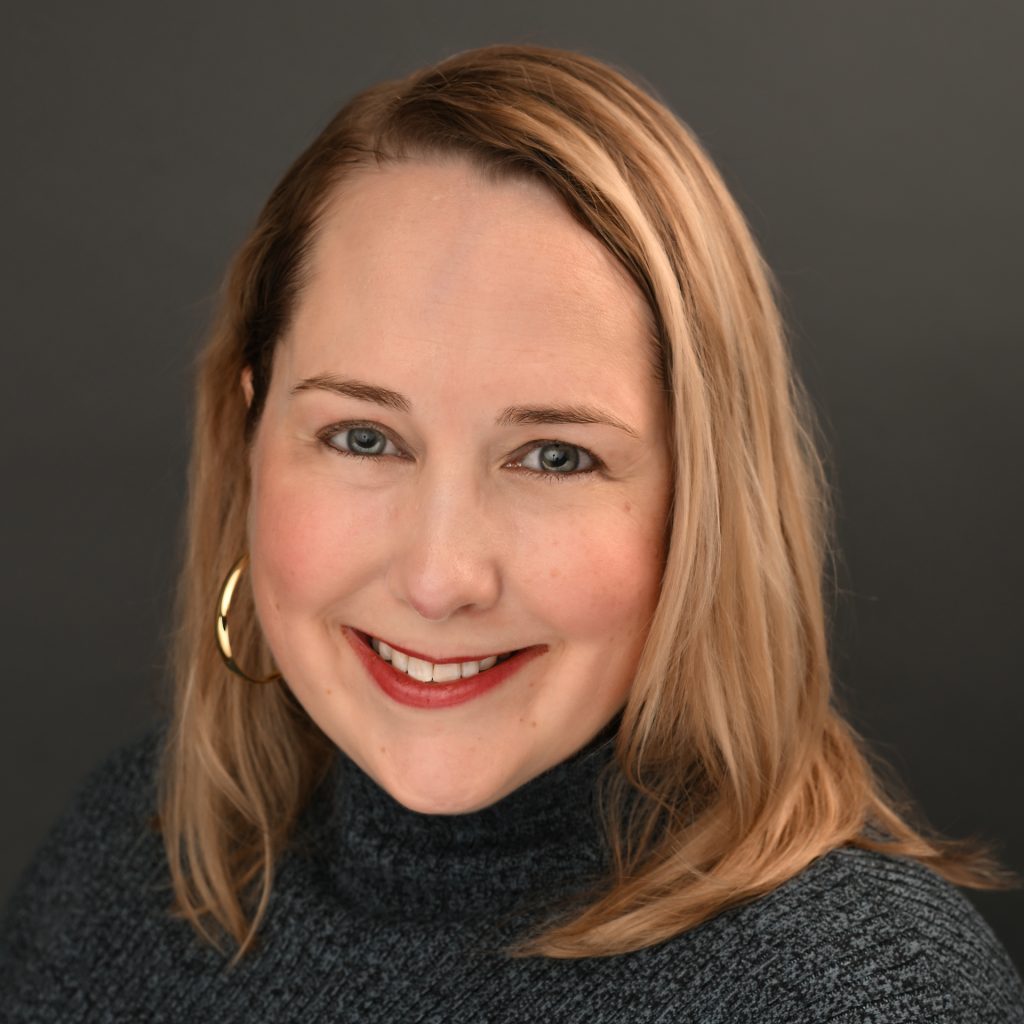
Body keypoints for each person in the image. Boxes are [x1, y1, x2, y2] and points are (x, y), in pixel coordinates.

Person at [1, 42, 1022, 1023]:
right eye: (363, 436)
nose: (442, 577)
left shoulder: (861, 998)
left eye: (554, 455)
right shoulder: (122, 860)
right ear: (250, 434)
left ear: (702, 500)